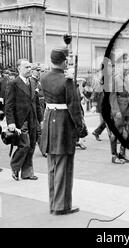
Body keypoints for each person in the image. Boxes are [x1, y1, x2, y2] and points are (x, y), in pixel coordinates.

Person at [40, 47, 85, 215]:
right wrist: (80, 128)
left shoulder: (43, 77)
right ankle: (62, 206)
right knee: (64, 167)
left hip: (50, 120)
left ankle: (54, 203)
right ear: (64, 61)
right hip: (64, 124)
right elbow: (74, 107)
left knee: (52, 166)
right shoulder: (67, 81)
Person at [5, 59, 43, 181]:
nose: (29, 69)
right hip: (21, 121)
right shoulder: (13, 83)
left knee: (31, 145)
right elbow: (9, 105)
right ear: (18, 69)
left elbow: (36, 103)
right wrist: (11, 122)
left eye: (30, 67)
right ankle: (15, 167)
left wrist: (40, 119)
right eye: (26, 67)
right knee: (24, 145)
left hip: (33, 119)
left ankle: (27, 172)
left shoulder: (32, 82)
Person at [108, 52, 129, 164]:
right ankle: (114, 155)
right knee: (117, 132)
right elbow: (112, 95)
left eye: (127, 61)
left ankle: (122, 152)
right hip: (119, 107)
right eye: (124, 61)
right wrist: (116, 111)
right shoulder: (114, 77)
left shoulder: (127, 76)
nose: (127, 63)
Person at [92, 69, 106, 141]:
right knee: (105, 122)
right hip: (101, 105)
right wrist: (94, 105)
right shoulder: (99, 84)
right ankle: (96, 132)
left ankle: (96, 132)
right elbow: (95, 95)